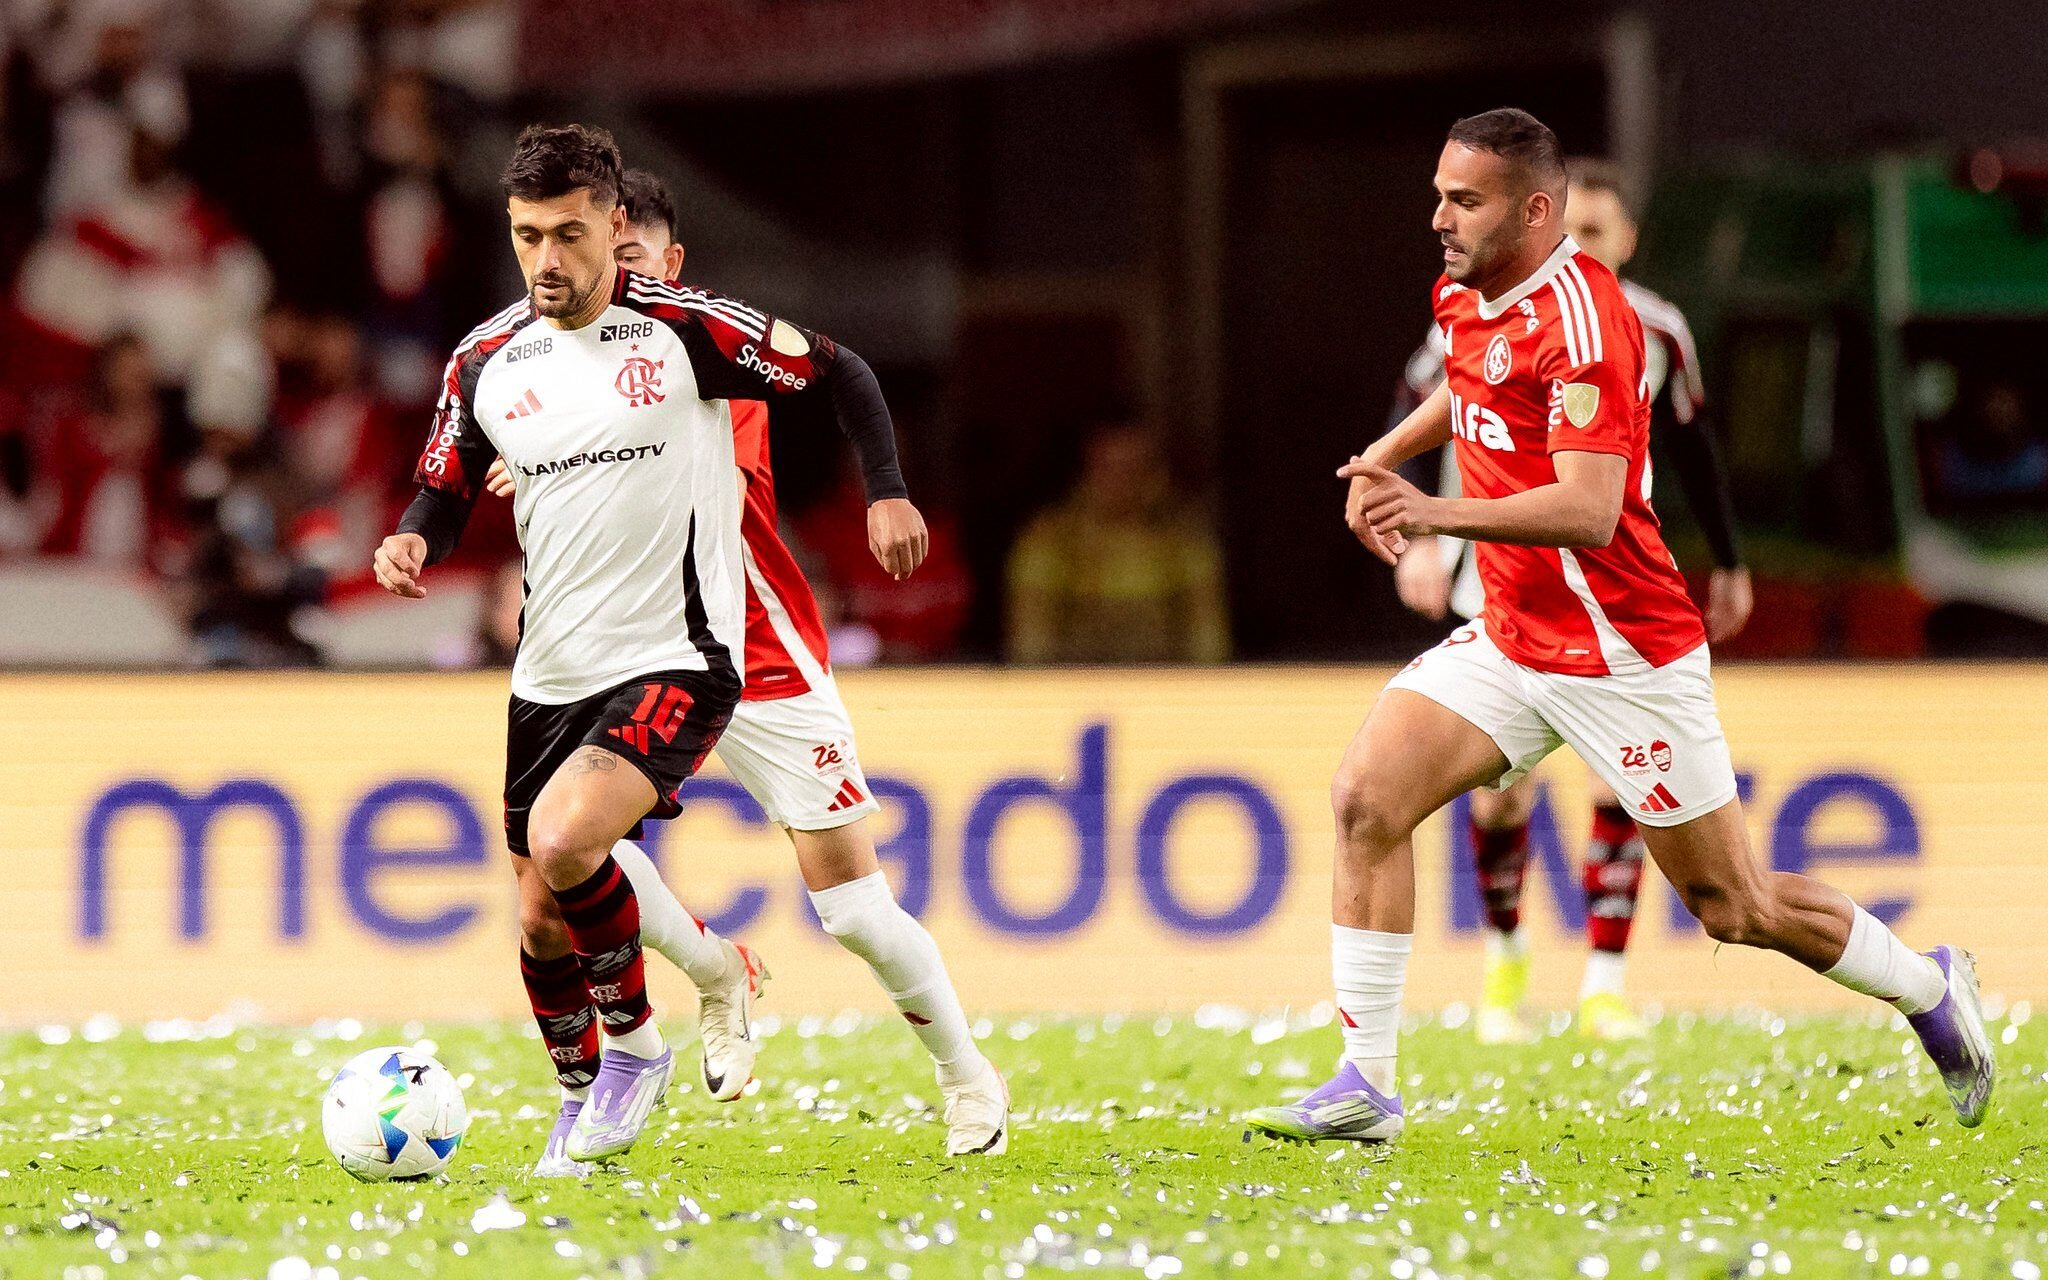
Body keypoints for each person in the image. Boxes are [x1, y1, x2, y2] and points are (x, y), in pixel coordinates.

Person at [1243, 108, 1993, 1145]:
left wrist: (1432, 509)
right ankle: (1364, 1083)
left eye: (1462, 200)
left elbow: (1586, 510)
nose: (1437, 219)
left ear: (1535, 210)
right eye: (1438, 194)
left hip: (1621, 650)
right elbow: (1466, 388)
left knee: (1733, 905)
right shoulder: (1467, 289)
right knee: (1366, 798)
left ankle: (1925, 982)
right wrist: (1385, 453)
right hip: (1512, 634)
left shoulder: (1592, 325)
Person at [372, 125, 931, 1171]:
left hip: (677, 655)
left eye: (570, 234)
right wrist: (414, 531)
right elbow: (445, 477)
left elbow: (841, 369)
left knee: (568, 835)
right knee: (539, 916)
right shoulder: (485, 357)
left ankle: (634, 1046)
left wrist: (887, 490)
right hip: (549, 672)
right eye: (528, 235)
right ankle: (583, 1089)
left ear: (613, 226)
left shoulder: (687, 330)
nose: (548, 260)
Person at [479, 167, 1008, 1162]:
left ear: (668, 267)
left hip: (754, 649)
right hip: (632, 654)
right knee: (566, 848)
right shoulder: (547, 363)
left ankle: (964, 1068)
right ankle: (717, 972)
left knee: (852, 906)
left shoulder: (701, 347)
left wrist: (885, 486)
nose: (604, 284)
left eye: (629, 260)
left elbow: (799, 381)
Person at [1388, 159, 1753, 1044]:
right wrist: (1425, 536)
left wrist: (1729, 563)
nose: (1576, 248)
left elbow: (1695, 448)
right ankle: (1506, 960)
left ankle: (1603, 980)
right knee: (1495, 798)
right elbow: (1429, 397)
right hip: (1502, 580)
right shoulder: (1482, 308)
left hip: (1610, 593)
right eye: (1567, 230)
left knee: (1619, 787)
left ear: (1625, 241)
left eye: (1595, 234)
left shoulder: (1653, 328)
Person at [1005, 420, 1230, 664]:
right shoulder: (1049, 540)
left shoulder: (1184, 540)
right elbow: (1030, 643)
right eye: (1108, 468)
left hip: (1164, 687)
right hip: (1076, 688)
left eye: (1134, 468)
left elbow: (1208, 638)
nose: (1121, 482)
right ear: (1086, 472)